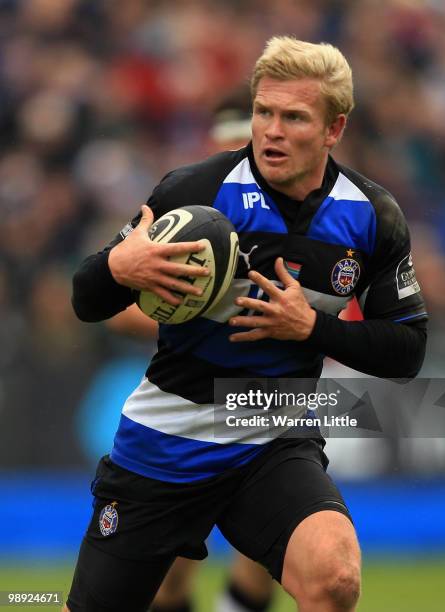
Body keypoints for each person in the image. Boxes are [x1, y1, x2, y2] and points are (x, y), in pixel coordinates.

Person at [66, 36, 428, 612]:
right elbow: (87, 298)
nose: (271, 131)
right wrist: (117, 264)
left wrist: (312, 327)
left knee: (334, 579)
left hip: (272, 435)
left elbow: (408, 351)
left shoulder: (372, 215)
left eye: (293, 117)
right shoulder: (194, 190)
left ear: (334, 129)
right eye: (264, 112)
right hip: (167, 439)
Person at [107, 88, 277, 612]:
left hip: (273, 396)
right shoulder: (187, 210)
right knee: (171, 574)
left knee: (269, 557)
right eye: (227, 138)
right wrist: (178, 309)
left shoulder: (307, 213)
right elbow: (114, 303)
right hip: (191, 399)